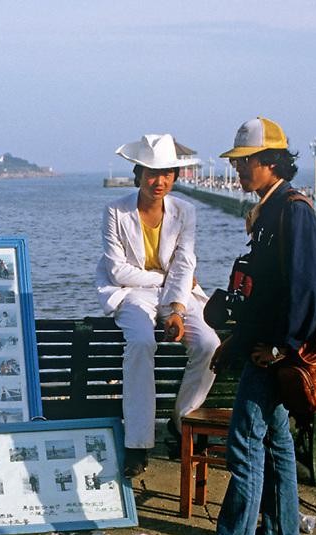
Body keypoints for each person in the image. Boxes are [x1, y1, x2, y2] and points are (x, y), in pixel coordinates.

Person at [184, 117, 316, 535]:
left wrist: (284, 348)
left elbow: (305, 289)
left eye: (245, 163)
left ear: (270, 163)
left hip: (274, 352)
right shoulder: (269, 210)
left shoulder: (293, 211)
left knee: (245, 443)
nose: (239, 172)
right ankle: (284, 531)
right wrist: (236, 342)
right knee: (275, 436)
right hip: (262, 346)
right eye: (238, 163)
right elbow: (263, 293)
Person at [96, 134, 220, 478]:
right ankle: (138, 444)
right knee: (140, 343)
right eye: (152, 172)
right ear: (138, 174)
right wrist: (164, 281)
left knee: (210, 344)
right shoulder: (115, 211)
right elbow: (118, 270)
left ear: (175, 177)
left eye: (166, 173)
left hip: (178, 292)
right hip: (132, 292)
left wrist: (177, 308)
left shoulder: (185, 212)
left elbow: (184, 263)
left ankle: (182, 425)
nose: (159, 181)